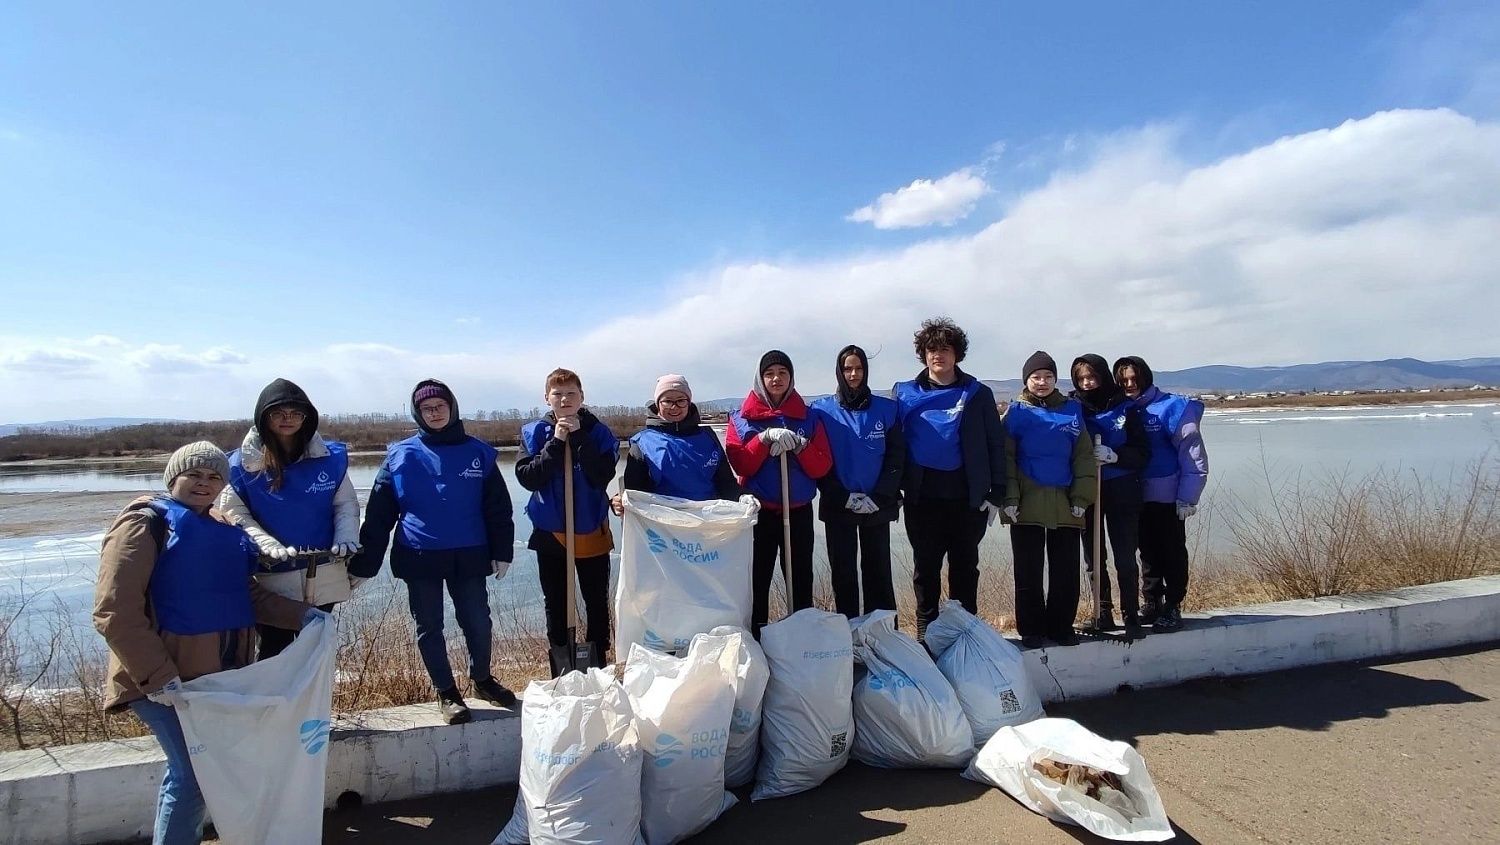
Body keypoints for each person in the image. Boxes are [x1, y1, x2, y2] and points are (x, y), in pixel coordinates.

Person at [94, 441, 318, 845]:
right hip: (163, 682)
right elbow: (114, 610)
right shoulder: (143, 525)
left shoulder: (221, 528)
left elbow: (246, 595)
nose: (204, 483)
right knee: (193, 774)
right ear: (173, 477)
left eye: (214, 476)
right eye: (194, 474)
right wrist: (158, 677)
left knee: (201, 771)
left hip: (215, 680)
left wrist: (305, 616)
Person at [350, 379, 517, 724]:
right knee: (430, 625)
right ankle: (446, 692)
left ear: (452, 408)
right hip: (419, 553)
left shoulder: (479, 453)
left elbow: (498, 508)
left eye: (440, 406)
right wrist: (365, 564)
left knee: (478, 622)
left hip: (470, 552)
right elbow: (380, 515)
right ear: (418, 413)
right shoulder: (399, 455)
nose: (434, 412)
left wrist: (503, 550)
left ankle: (482, 680)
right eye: (427, 408)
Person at [220, 377, 362, 659]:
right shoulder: (240, 466)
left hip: (323, 573)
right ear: (263, 416)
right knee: (275, 649)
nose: (288, 419)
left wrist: (347, 536)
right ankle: (275, 704)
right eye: (278, 413)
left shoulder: (328, 458)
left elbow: (345, 504)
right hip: (272, 577)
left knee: (317, 650)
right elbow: (234, 513)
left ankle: (313, 705)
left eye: (296, 413)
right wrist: (264, 542)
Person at [892, 318, 1007, 640]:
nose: (937, 355)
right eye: (931, 350)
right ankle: (926, 635)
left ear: (957, 354)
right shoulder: (905, 394)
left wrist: (998, 490)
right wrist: (891, 488)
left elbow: (994, 442)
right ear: (923, 355)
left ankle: (965, 633)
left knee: (965, 568)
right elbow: (893, 443)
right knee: (925, 569)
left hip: (966, 498)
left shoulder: (977, 393)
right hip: (922, 497)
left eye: (944, 349)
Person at [515, 368, 618, 672]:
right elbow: (529, 478)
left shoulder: (599, 433)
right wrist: (557, 442)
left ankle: (597, 659)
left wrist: (579, 437)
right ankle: (562, 661)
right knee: (556, 602)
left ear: (582, 397)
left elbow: (602, 476)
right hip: (551, 532)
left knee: (596, 600)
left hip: (590, 530)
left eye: (571, 393)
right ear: (547, 398)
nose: (564, 399)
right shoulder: (533, 433)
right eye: (557, 394)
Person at [725, 350, 833, 635]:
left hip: (796, 513)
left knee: (799, 579)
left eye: (782, 373)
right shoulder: (741, 419)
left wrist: (801, 446)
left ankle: (799, 639)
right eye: (769, 373)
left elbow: (821, 466)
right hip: (758, 514)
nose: (776, 379)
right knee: (756, 579)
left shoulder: (808, 418)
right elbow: (740, 462)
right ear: (760, 378)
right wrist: (762, 439)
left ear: (791, 378)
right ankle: (757, 639)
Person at [1001, 351, 1096, 648]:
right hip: (1026, 503)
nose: (1042, 382)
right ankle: (1031, 629)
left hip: (1066, 503)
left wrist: (1082, 496)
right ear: (1026, 380)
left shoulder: (1072, 411)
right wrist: (1009, 499)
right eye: (1036, 377)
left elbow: (1083, 457)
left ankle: (1061, 626)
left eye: (1048, 377)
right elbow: (1007, 460)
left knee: (1065, 570)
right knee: (1028, 570)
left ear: (1056, 380)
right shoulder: (1016, 413)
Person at [1113, 356, 1210, 632]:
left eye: (1135, 379)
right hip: (1135, 494)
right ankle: (1152, 602)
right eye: (1124, 380)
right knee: (1147, 552)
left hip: (1169, 496)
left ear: (1146, 377)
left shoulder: (1173, 408)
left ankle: (1173, 605)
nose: (1130, 385)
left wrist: (1188, 497)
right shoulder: (1122, 409)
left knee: (1172, 551)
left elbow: (1192, 453)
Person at [810, 345, 905, 618]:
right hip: (840, 506)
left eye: (859, 368)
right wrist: (843, 497)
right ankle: (848, 636)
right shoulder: (822, 411)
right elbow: (819, 461)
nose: (853, 374)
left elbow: (896, 458)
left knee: (879, 574)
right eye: (847, 369)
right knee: (844, 575)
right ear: (839, 372)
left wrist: (880, 496)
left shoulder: (887, 410)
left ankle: (884, 636)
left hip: (877, 505)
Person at [1069, 354, 1150, 636]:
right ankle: (1102, 613)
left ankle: (1131, 614)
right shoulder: (1072, 408)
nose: (1087, 383)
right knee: (1093, 555)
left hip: (1122, 489)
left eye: (1091, 376)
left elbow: (1142, 452)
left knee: (1125, 556)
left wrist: (1116, 455)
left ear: (1103, 375)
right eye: (1081, 378)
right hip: (1088, 489)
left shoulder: (1126, 408)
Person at [610, 373, 749, 508]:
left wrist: (741, 497)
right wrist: (618, 503)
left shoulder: (708, 437)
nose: (674, 407)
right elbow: (634, 492)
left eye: (681, 400)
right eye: (667, 401)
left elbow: (726, 483)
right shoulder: (642, 444)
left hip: (707, 523)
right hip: (662, 526)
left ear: (688, 403)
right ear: (658, 404)